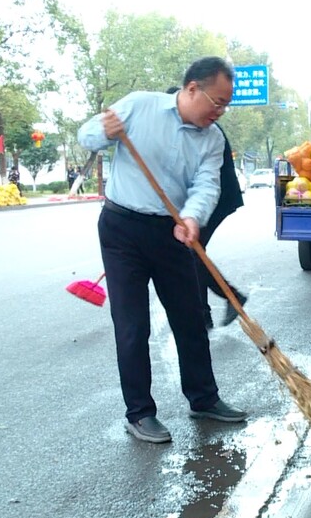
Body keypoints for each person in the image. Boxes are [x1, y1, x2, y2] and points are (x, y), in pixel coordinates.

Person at [78, 56, 247, 445]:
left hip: (172, 231)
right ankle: (139, 413)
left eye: (226, 104)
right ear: (192, 89)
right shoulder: (140, 106)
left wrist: (192, 218)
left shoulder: (213, 139)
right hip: (122, 228)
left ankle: (203, 398)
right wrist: (104, 130)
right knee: (133, 324)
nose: (219, 111)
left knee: (189, 317)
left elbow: (207, 185)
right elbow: (86, 137)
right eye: (216, 102)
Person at [161, 85, 250, 330]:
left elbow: (197, 176)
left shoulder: (204, 126)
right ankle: (206, 312)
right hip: (216, 197)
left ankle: (229, 298)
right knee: (192, 253)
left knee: (192, 253)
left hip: (217, 198)